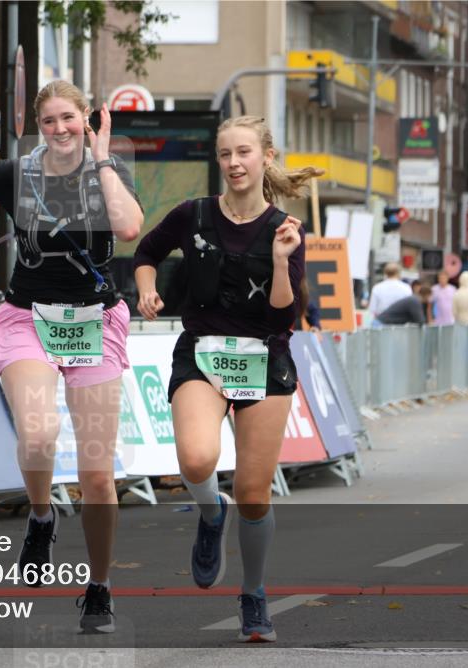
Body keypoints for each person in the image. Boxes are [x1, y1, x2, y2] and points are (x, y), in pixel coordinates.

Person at [0, 80, 143, 634]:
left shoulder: (108, 172)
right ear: (37, 126)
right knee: (38, 433)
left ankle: (99, 587)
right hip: (28, 317)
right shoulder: (16, 173)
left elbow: (127, 227)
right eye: (49, 121)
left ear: (86, 119)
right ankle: (42, 515)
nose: (59, 129)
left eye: (69, 118)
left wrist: (102, 160)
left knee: (97, 475)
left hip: (95, 322)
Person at [134, 115, 316, 644]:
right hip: (203, 353)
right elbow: (146, 253)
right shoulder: (192, 215)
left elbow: (283, 316)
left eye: (243, 153)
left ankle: (253, 594)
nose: (234, 163)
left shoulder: (286, 229)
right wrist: (146, 288)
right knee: (196, 460)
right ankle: (211, 513)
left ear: (265, 157)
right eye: (225, 154)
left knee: (254, 495)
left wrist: (280, 262)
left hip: (265, 357)